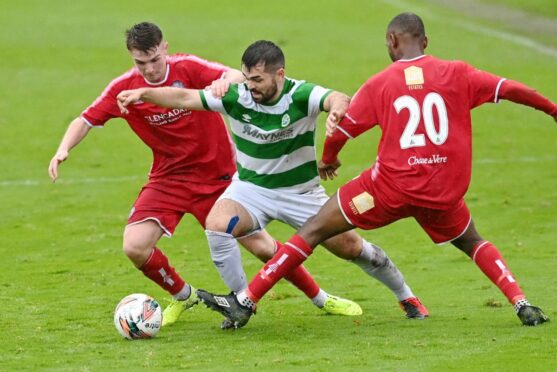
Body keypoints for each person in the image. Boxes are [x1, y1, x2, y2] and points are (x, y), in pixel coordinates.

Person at [194, 12, 557, 328]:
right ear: (426, 42)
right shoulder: (460, 73)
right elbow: (512, 88)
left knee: (313, 230)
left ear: (390, 43)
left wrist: (329, 158)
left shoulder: (382, 83)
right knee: (473, 242)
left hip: (386, 190)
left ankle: (245, 301)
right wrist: (555, 110)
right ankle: (521, 302)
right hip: (444, 193)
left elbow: (343, 129)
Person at [48, 22, 361, 329]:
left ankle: (321, 298)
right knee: (135, 246)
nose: (150, 69)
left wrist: (224, 82)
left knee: (265, 248)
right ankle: (183, 297)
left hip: (219, 179)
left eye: (155, 59)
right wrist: (63, 149)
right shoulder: (124, 88)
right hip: (168, 180)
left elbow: (237, 75)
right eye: (141, 63)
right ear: (132, 58)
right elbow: (86, 119)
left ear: (165, 49)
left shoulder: (189, 67)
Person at [117, 40, 428, 329]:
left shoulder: (301, 95)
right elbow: (185, 96)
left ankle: (406, 295)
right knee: (217, 224)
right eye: (246, 78)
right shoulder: (236, 96)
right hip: (251, 190)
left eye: (257, 80)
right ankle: (239, 301)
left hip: (301, 194)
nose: (249, 86)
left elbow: (337, 97)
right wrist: (143, 94)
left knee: (353, 249)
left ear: (280, 74)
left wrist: (335, 110)